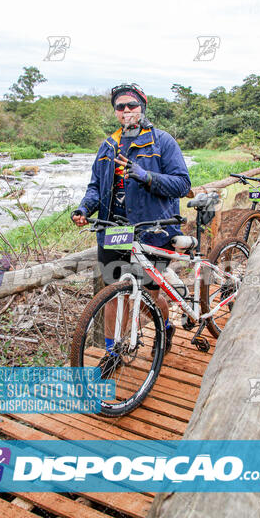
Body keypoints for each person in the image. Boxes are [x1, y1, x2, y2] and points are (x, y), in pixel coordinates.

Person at [72, 83, 191, 376]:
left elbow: (182, 184)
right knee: (116, 292)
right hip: (114, 231)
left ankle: (164, 329)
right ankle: (113, 353)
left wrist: (144, 175)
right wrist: (85, 209)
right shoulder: (107, 146)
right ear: (115, 111)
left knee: (151, 293)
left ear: (142, 108)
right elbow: (95, 188)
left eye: (132, 105)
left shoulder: (162, 142)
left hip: (153, 231)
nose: (126, 111)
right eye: (120, 106)